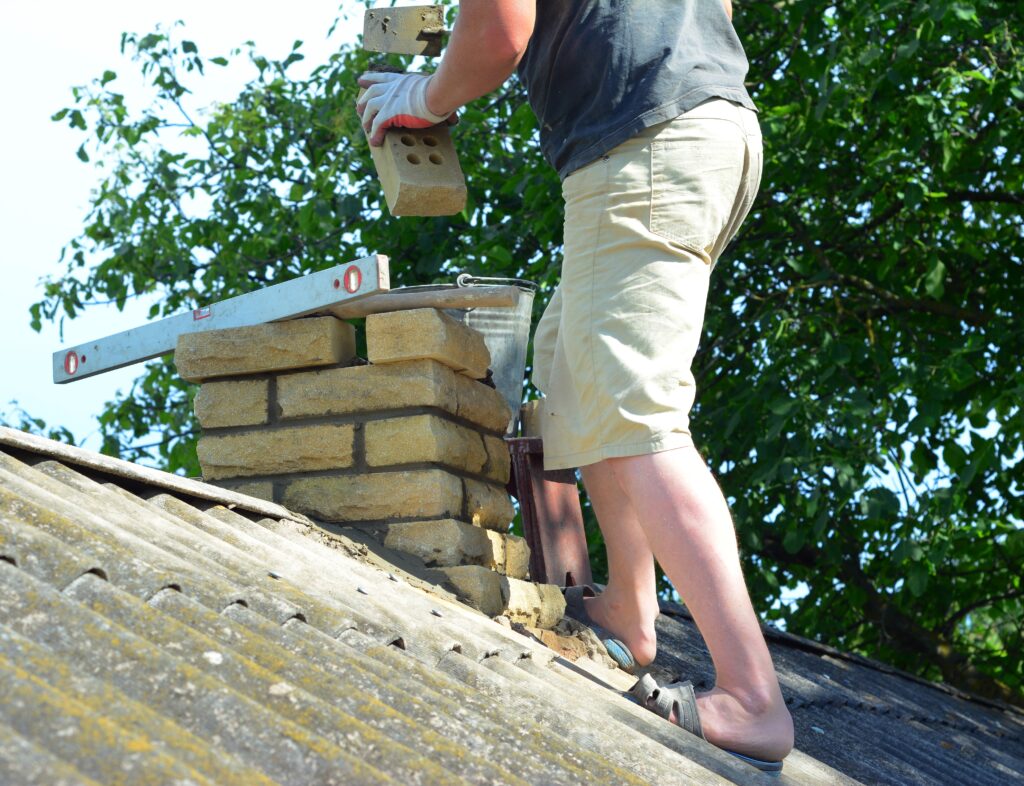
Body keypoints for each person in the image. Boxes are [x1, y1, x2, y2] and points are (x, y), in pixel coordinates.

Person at [356, 0, 794, 771]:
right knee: (572, 374)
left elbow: (498, 33)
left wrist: (418, 96)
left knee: (636, 406)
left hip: (643, 143)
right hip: (703, 125)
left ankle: (753, 698)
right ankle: (629, 607)